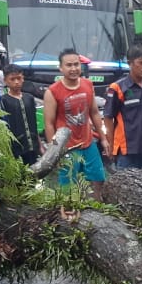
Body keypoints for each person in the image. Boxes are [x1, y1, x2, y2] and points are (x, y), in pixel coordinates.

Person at [44, 49, 109, 198]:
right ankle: (71, 216)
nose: (73, 69)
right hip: (67, 148)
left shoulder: (87, 85)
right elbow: (49, 124)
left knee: (98, 180)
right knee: (69, 188)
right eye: (69, 65)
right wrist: (54, 153)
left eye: (76, 64)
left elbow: (94, 113)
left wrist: (104, 138)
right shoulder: (52, 92)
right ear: (61, 68)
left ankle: (98, 211)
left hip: (88, 143)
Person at [104, 47, 142, 175]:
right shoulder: (117, 88)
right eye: (141, 63)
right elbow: (108, 117)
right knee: (127, 191)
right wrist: (110, 144)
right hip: (128, 152)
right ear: (130, 63)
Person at [0, 65, 41, 165]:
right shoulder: (4, 100)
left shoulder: (29, 98)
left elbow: (34, 123)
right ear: (5, 81)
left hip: (33, 146)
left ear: (23, 78)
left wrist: (39, 144)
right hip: (16, 148)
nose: (16, 82)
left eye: (19, 78)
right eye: (12, 79)